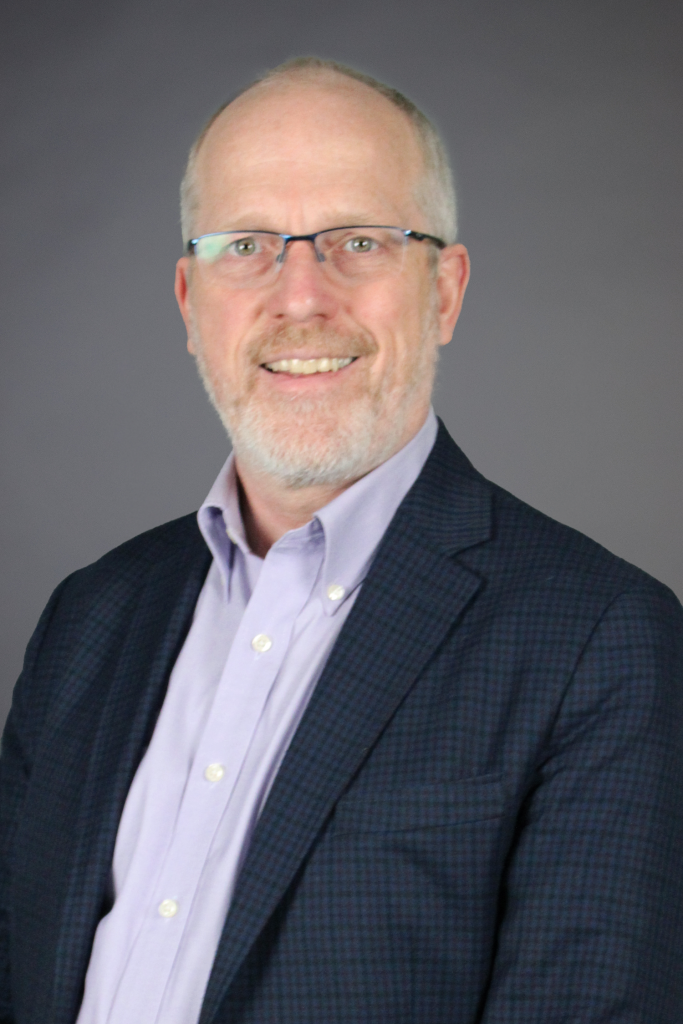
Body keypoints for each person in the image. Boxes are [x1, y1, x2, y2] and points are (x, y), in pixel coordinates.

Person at [1, 56, 681, 1024]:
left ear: (443, 292)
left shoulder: (598, 639)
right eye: (246, 245)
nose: (300, 297)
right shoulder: (90, 619)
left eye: (358, 241)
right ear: (190, 303)